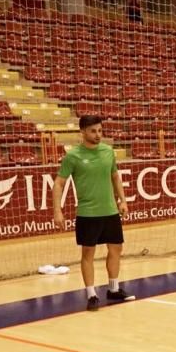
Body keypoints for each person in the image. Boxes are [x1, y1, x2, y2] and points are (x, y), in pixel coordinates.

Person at [52, 115, 134, 311]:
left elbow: (115, 176)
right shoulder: (72, 156)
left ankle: (113, 289)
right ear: (82, 132)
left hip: (110, 211)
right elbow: (59, 183)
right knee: (88, 254)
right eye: (93, 131)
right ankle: (91, 295)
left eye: (100, 130)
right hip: (87, 214)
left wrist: (122, 200)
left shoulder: (108, 152)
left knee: (116, 249)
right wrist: (57, 211)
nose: (98, 135)